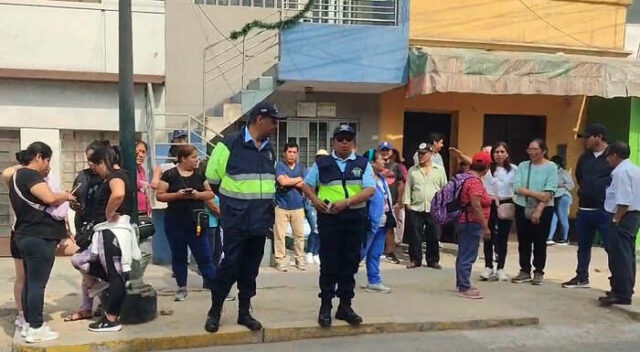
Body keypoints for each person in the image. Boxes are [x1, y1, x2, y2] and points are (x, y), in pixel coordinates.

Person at [204, 102, 284, 333]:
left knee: (250, 270)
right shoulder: (229, 144)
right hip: (236, 222)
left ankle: (244, 312)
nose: (276, 126)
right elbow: (213, 179)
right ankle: (215, 310)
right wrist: (235, 206)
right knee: (229, 266)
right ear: (260, 119)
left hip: (259, 222)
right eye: (274, 121)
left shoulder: (269, 149)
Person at [301, 124, 375, 328]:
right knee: (329, 264)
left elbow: (370, 190)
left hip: (354, 218)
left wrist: (347, 202)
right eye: (340, 138)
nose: (344, 142)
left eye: (348, 139)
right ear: (333, 141)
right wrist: (316, 201)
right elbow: (306, 185)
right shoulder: (323, 163)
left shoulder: (362, 163)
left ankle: (345, 306)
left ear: (353, 143)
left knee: (350, 263)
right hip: (330, 219)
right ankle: (325, 307)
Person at [10, 142, 75, 343]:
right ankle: (36, 328)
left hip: (25, 235)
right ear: (38, 157)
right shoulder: (30, 175)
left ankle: (30, 323)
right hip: (38, 236)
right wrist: (65, 195)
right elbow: (49, 198)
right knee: (37, 285)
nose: (47, 165)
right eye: (47, 160)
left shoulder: (16, 176)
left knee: (30, 283)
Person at [77, 145, 140, 332]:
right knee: (81, 260)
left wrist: (108, 211)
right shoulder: (120, 175)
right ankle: (108, 296)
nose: (94, 169)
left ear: (104, 162)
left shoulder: (115, 176)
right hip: (110, 231)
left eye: (96, 165)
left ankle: (111, 318)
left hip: (111, 231)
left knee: (116, 276)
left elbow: (118, 193)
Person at [156, 145, 216, 302]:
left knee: (204, 255)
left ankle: (215, 286)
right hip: (175, 222)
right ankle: (182, 287)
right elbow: (160, 196)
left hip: (197, 222)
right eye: (194, 157)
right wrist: (176, 195)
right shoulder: (169, 175)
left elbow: (210, 193)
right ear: (183, 158)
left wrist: (197, 195)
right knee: (179, 255)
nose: (197, 160)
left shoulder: (199, 175)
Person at [562, 124, 612, 289]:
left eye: (588, 137)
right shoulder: (585, 157)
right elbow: (579, 177)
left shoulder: (611, 156)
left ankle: (617, 280)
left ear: (598, 137)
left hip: (604, 209)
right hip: (585, 208)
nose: (585, 141)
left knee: (610, 246)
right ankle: (582, 277)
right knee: (583, 246)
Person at [599, 142, 640, 306]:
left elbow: (624, 200)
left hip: (624, 215)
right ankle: (625, 289)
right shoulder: (633, 169)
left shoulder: (621, 172)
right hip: (633, 215)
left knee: (620, 255)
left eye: (608, 156)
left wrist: (616, 219)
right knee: (627, 254)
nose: (607, 160)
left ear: (614, 155)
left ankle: (621, 293)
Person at [511, 139, 557, 286]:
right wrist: (537, 195)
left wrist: (538, 210)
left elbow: (550, 191)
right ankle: (524, 269)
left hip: (544, 208)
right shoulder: (523, 166)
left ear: (543, 151)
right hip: (522, 206)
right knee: (523, 240)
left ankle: (538, 271)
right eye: (530, 149)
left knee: (539, 241)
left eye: (535, 149)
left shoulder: (551, 167)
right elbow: (517, 187)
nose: (531, 152)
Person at [403, 143, 447, 269]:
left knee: (433, 234)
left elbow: (444, 187)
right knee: (415, 235)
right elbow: (408, 187)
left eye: (424, 153)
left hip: (434, 207)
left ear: (431, 154)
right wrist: (407, 203)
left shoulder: (439, 169)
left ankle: (432, 260)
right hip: (416, 206)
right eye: (419, 153)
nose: (421, 156)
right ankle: (415, 259)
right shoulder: (413, 170)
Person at [456, 152, 492, 299]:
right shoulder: (475, 182)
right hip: (472, 222)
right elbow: (476, 205)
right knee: (468, 255)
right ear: (487, 168)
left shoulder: (464, 177)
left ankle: (461, 282)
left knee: (462, 253)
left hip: (462, 220)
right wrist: (485, 226)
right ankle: (464, 287)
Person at [479, 142, 517, 282]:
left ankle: (501, 267)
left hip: (506, 204)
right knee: (488, 235)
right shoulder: (487, 169)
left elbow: (517, 186)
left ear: (507, 153)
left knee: (503, 237)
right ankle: (488, 266)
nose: (499, 154)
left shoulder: (514, 169)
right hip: (489, 204)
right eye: (496, 152)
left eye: (502, 152)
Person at [361, 149, 395, 293]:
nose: (384, 161)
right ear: (371, 163)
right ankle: (342, 280)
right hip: (370, 223)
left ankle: (374, 281)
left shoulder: (381, 178)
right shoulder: (365, 180)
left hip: (382, 222)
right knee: (359, 253)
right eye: (380, 159)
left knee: (375, 253)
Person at [273, 142, 307, 272]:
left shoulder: (301, 168)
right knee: (280, 235)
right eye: (289, 152)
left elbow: (304, 185)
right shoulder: (280, 166)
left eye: (294, 152)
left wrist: (291, 181)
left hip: (297, 206)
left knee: (299, 235)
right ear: (284, 153)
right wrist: (298, 179)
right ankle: (280, 260)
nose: (292, 155)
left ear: (297, 154)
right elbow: (282, 181)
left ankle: (299, 258)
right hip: (282, 206)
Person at [2, 165, 25, 330]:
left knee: (36, 280)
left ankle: (32, 311)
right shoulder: (16, 184)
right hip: (19, 234)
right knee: (22, 277)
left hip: (39, 235)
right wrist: (25, 165)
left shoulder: (41, 185)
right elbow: (6, 173)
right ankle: (22, 313)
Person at [378, 141, 404, 264]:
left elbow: (400, 184)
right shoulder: (374, 166)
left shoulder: (396, 166)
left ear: (391, 152)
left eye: (387, 150)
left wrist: (399, 201)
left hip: (391, 202)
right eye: (382, 150)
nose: (385, 152)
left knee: (390, 228)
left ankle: (390, 252)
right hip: (378, 202)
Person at [304, 149, 329, 265]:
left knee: (321, 229)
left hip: (324, 203)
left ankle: (316, 252)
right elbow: (307, 186)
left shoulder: (329, 171)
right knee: (315, 227)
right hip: (311, 204)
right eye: (319, 157)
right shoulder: (311, 170)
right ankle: (309, 251)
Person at [134, 139, 153, 277]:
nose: (140, 155)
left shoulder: (141, 170)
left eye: (143, 152)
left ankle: (134, 280)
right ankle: (130, 281)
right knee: (141, 252)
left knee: (145, 252)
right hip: (130, 217)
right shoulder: (126, 168)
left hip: (143, 216)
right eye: (138, 151)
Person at [547, 155, 574, 246]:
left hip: (563, 196)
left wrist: (561, 186)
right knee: (553, 217)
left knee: (563, 217)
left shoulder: (564, 173)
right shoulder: (550, 173)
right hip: (553, 197)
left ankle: (565, 238)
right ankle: (550, 237)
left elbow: (571, 185)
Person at [390, 148, 408, 244]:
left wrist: (400, 199)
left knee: (399, 218)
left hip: (399, 197)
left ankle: (397, 240)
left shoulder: (400, 167)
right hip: (389, 199)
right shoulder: (384, 167)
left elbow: (404, 181)